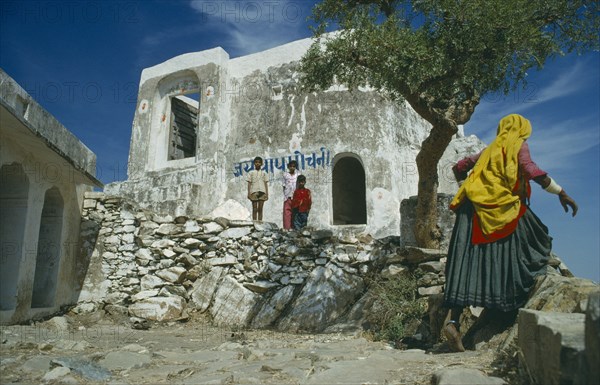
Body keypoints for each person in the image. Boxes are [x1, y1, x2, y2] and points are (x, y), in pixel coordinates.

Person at [443, 114, 578, 352]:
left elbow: (460, 166)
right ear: (522, 129)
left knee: (468, 263)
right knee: (536, 235)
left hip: (472, 210)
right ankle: (509, 299)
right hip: (502, 208)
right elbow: (528, 168)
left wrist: (468, 185)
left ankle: (453, 323)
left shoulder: (491, 149)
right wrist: (560, 192)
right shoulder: (518, 144)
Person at [246, 156, 269, 221]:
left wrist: (267, 193)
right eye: (256, 162)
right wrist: (249, 193)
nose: (257, 163)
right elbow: (249, 183)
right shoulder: (251, 172)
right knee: (255, 208)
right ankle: (254, 222)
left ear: (261, 164)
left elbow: (265, 183)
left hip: (262, 192)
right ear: (254, 163)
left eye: (259, 162)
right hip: (254, 191)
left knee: (260, 209)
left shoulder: (264, 173)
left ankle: (260, 222)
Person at [282, 160, 301, 230]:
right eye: (291, 166)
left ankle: (295, 227)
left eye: (294, 166)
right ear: (288, 167)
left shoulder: (298, 174)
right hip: (287, 196)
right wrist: (285, 194)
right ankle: (287, 228)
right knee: (287, 212)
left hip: (295, 196)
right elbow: (284, 185)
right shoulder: (285, 174)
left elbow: (299, 184)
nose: (292, 168)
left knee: (295, 212)